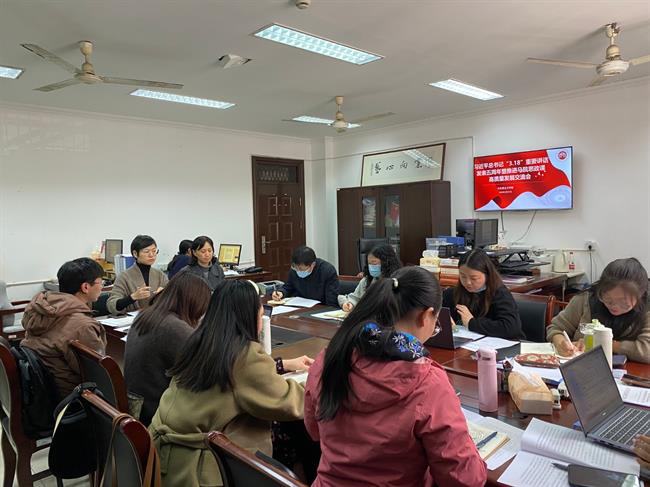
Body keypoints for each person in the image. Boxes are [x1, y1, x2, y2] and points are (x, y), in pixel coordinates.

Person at [304, 266, 487, 486]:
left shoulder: (331, 356)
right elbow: (465, 480)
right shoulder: (428, 382)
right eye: (436, 322)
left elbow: (314, 430)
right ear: (426, 315)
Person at [149, 280, 313, 486]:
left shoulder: (201, 341)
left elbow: (236, 378)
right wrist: (318, 380)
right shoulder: (244, 355)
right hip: (201, 470)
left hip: (164, 459)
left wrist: (281, 365)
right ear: (250, 316)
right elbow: (292, 403)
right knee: (296, 440)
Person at [124, 272, 211, 425]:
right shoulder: (173, 328)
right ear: (194, 302)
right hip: (156, 412)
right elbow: (204, 371)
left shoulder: (146, 315)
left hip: (136, 404)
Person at [21, 258, 107, 397]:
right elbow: (99, 373)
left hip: (40, 390)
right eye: (100, 282)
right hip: (72, 397)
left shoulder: (41, 308)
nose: (102, 286)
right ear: (85, 287)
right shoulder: (83, 326)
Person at [547, 257, 650, 363]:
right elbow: (556, 328)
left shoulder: (646, 309)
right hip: (583, 367)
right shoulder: (586, 299)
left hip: (632, 371)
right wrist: (560, 343)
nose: (615, 307)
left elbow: (647, 351)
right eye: (608, 300)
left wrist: (602, 342)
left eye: (624, 304)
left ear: (640, 296)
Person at [442, 249, 524, 339]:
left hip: (501, 344)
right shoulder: (453, 293)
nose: (468, 282)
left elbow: (511, 328)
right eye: (463, 276)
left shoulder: (499, 293)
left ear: (487, 275)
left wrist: (471, 323)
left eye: (474, 278)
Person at [107, 235, 168, 315]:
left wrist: (165, 293)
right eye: (146, 251)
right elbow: (112, 305)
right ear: (135, 254)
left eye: (154, 251)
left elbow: (174, 298)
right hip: (134, 319)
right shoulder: (124, 276)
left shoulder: (160, 275)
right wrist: (133, 297)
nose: (151, 255)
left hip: (156, 317)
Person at [338, 244, 401, 312]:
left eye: (374, 264)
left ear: (387, 263)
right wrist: (349, 304)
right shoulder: (366, 280)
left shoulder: (397, 281)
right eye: (369, 264)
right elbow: (355, 298)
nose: (371, 267)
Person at [272, 246, 339, 306]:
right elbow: (288, 287)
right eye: (295, 267)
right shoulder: (294, 270)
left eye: (301, 269)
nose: (298, 271)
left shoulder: (327, 271)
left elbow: (331, 301)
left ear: (312, 265)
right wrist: (281, 293)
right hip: (299, 307)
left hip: (320, 308)